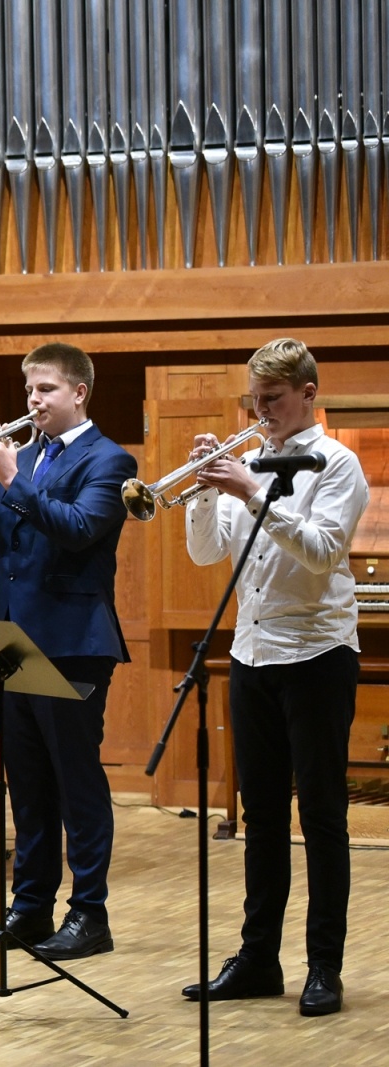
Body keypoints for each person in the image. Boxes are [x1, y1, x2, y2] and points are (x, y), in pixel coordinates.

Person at [179, 339, 368, 1017]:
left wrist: (253, 491)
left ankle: (325, 966)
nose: (261, 414)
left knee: (320, 815)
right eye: (254, 401)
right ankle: (259, 958)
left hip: (318, 655)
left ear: (309, 394)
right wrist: (206, 489)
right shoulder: (247, 462)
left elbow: (319, 554)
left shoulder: (338, 464)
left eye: (274, 401)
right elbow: (206, 554)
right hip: (252, 657)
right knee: (261, 818)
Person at [0, 341, 137, 961]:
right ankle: (30, 908)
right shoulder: (21, 457)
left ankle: (91, 912)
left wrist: (9, 477)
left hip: (71, 641)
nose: (33, 401)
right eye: (29, 390)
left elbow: (80, 530)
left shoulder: (109, 459)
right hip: (8, 638)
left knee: (76, 780)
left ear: (78, 393)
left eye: (47, 390)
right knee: (27, 782)